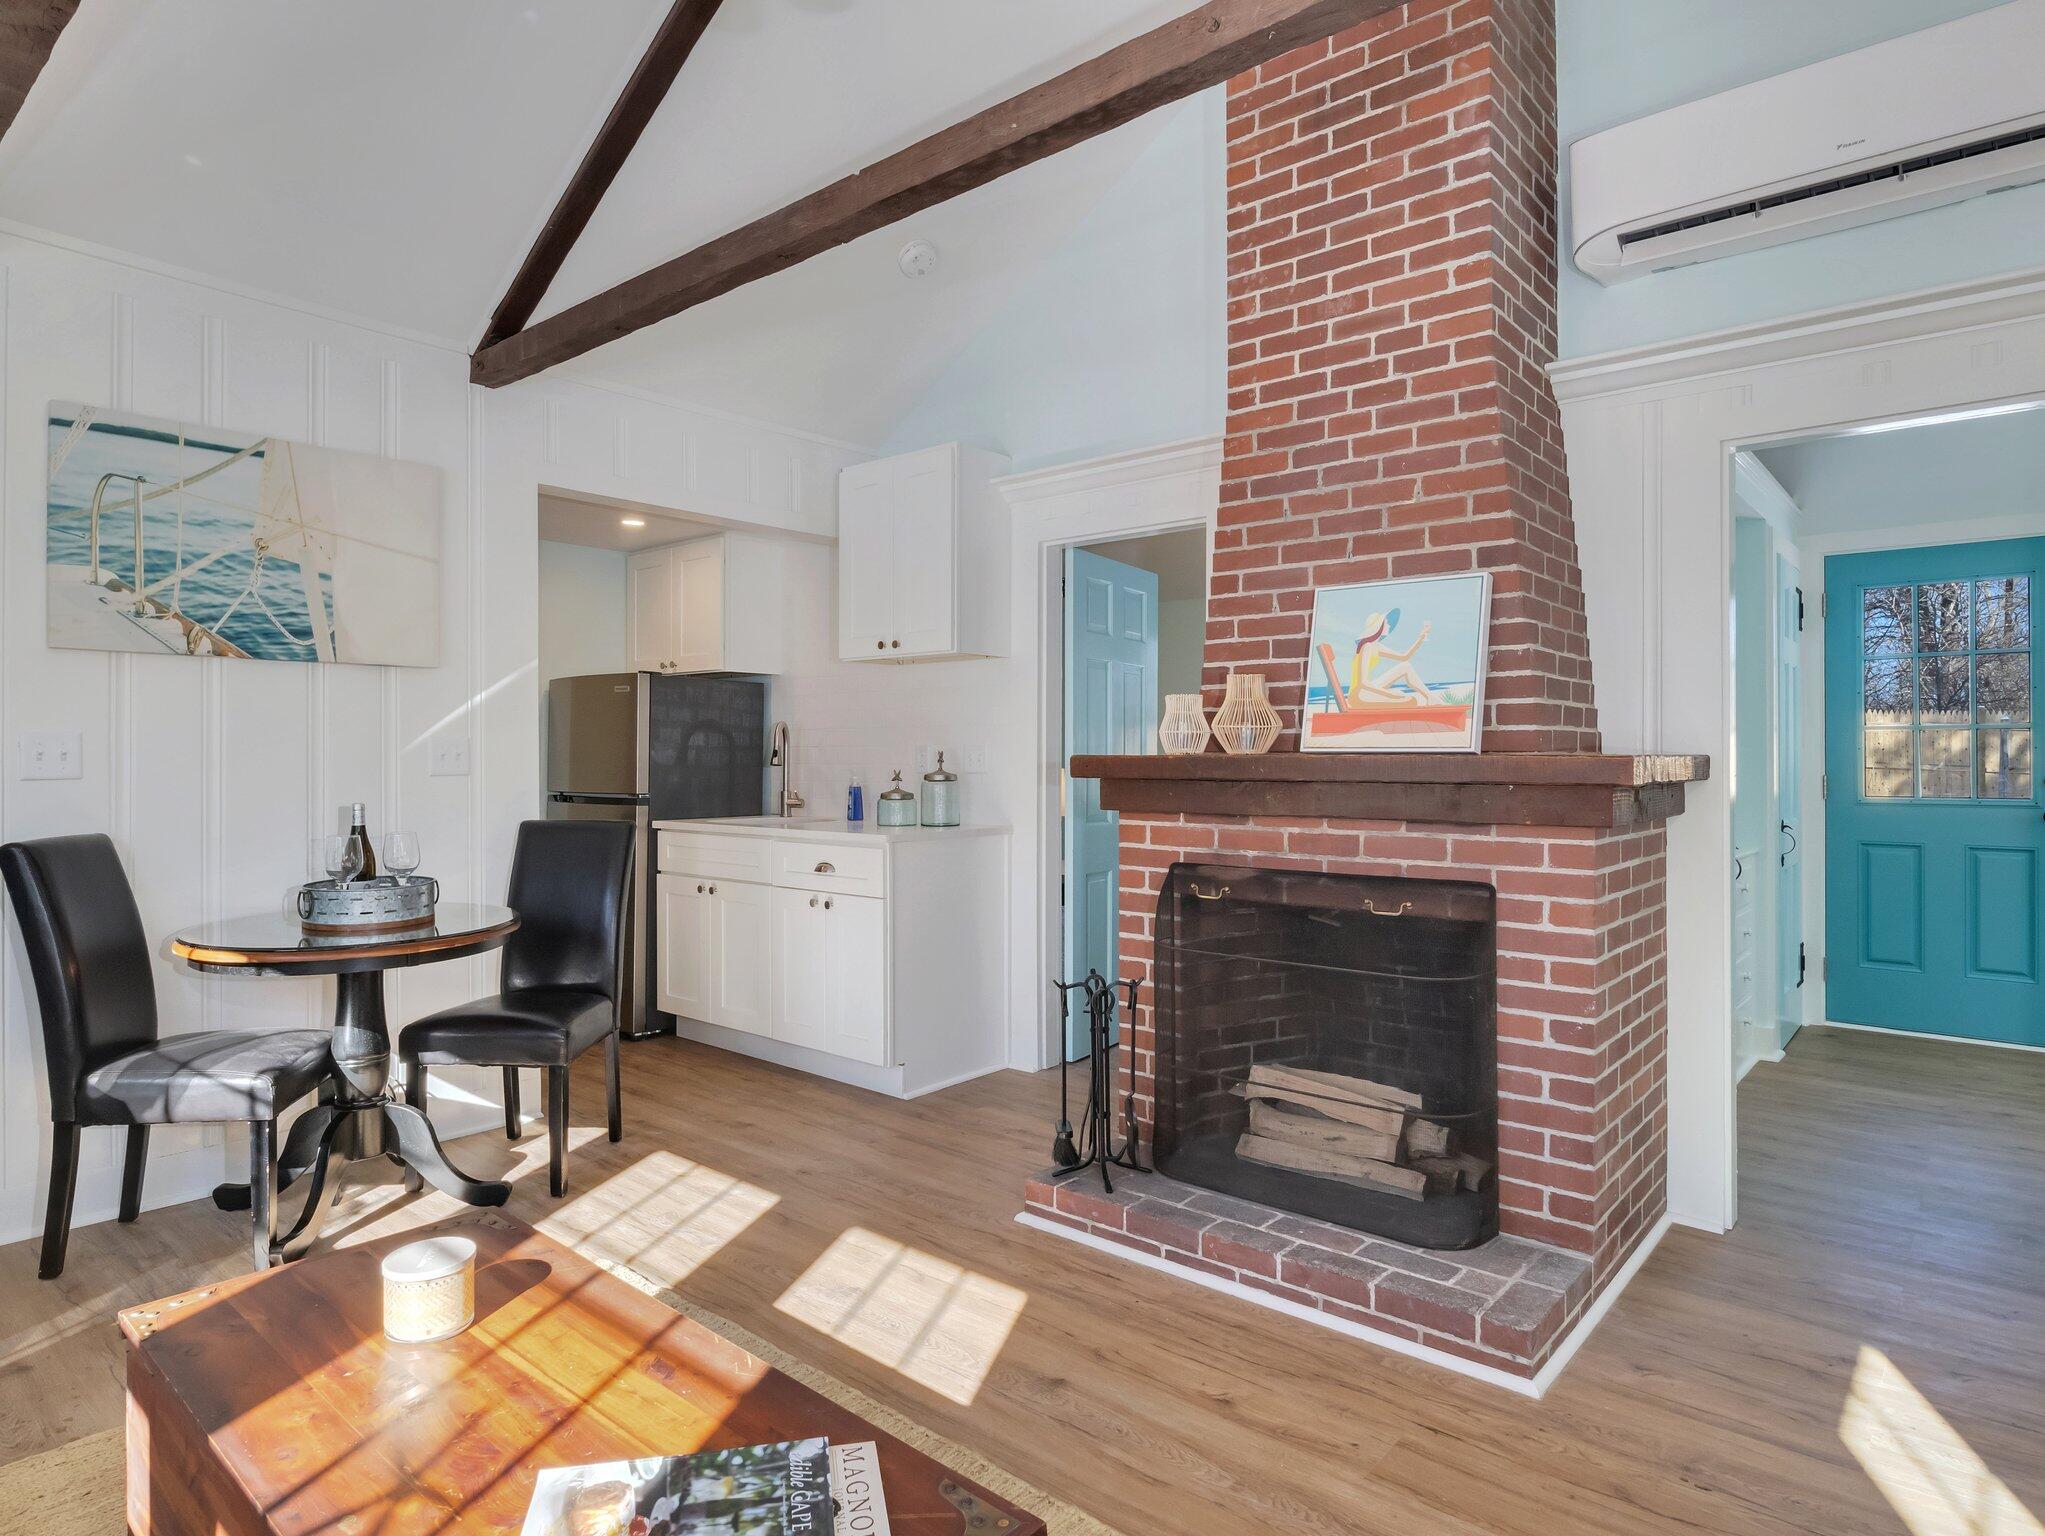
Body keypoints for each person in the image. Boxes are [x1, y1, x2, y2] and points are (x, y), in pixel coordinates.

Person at [1348, 608, 1437, 705]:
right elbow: (1363, 682)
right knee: (1410, 701)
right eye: (1387, 623)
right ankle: (1429, 699)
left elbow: (1404, 657)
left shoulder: (1376, 646)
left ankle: (1430, 697)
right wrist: (1390, 694)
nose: (1389, 625)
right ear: (1379, 626)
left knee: (1405, 666)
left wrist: (1421, 638)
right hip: (1358, 694)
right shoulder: (1367, 647)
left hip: (1367, 689)